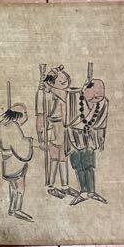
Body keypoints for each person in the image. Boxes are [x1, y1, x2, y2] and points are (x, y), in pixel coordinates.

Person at [65, 77, 108, 205]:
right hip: (72, 135)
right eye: (93, 96)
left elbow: (101, 123)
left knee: (89, 164)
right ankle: (83, 191)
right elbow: (66, 121)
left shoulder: (103, 103)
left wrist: (101, 137)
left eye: (99, 96)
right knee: (78, 165)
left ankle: (91, 191)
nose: (96, 99)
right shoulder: (73, 96)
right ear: (85, 89)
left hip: (89, 136)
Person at [35, 66, 71, 197]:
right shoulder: (45, 95)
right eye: (61, 82)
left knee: (63, 157)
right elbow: (40, 116)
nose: (65, 84)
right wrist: (40, 136)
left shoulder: (63, 93)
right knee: (54, 157)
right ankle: (50, 185)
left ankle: (65, 185)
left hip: (63, 128)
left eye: (66, 82)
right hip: (53, 128)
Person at [0, 104, 33, 221]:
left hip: (6, 162)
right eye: (25, 113)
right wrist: (29, 142)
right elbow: (20, 147)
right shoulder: (13, 127)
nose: (26, 116)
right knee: (20, 187)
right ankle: (17, 209)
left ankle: (12, 209)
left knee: (13, 186)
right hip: (15, 163)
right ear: (18, 115)